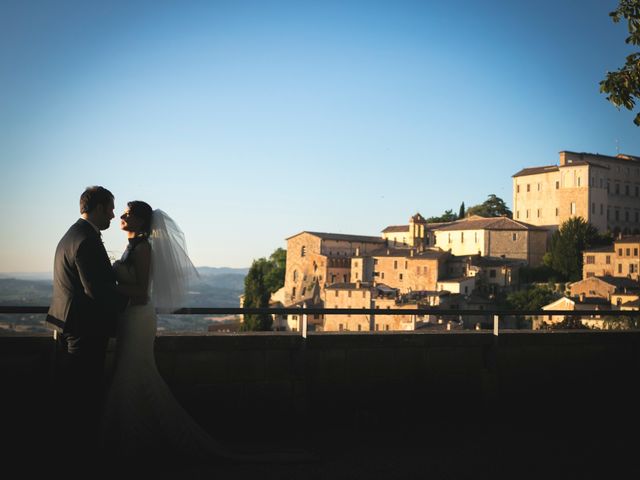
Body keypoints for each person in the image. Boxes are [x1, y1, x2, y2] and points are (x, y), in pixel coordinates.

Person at [103, 201, 316, 466]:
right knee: (130, 373)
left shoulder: (144, 248)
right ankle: (132, 438)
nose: (122, 216)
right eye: (123, 212)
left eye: (128, 213)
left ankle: (132, 443)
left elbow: (141, 292)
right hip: (130, 318)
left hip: (138, 317)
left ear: (141, 221)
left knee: (134, 372)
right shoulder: (133, 246)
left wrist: (107, 285)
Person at [46, 186, 130, 462]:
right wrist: (128, 306)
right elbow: (97, 290)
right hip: (85, 328)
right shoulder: (87, 240)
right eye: (109, 208)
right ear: (97, 208)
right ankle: (82, 455)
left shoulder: (71, 235)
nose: (113, 214)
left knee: (72, 392)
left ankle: (69, 451)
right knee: (85, 393)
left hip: (68, 323)